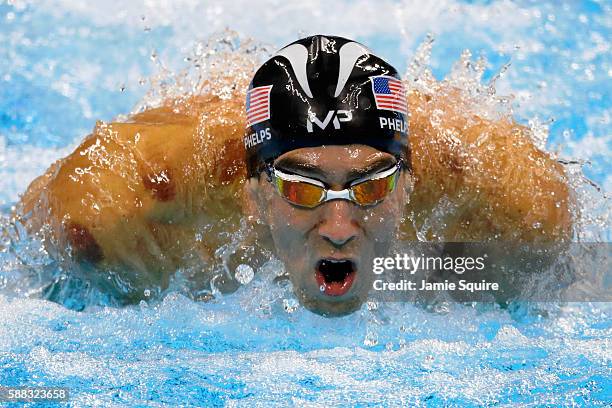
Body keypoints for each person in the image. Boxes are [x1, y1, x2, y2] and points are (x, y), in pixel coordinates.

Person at [18, 35, 573, 315]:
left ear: (411, 181)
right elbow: (23, 259)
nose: (338, 225)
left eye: (371, 186)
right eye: (303, 187)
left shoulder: (517, 214)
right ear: (251, 190)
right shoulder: (120, 212)